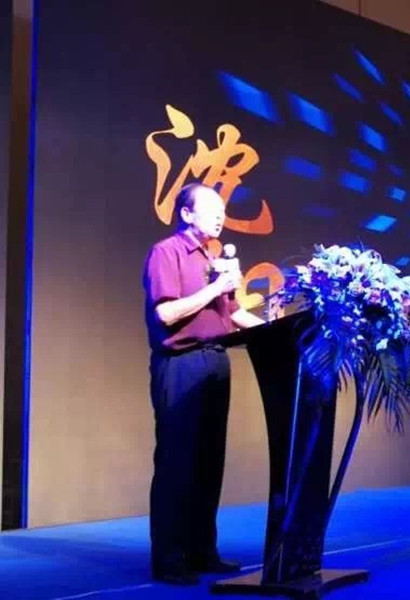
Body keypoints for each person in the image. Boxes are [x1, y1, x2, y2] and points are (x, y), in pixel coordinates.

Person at [142, 183, 265, 585]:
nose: (220, 215)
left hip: (216, 362)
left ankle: (202, 551)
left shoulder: (215, 258)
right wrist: (216, 287)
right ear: (186, 214)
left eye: (222, 208)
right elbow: (166, 313)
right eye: (211, 208)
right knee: (177, 461)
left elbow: (234, 315)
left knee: (210, 462)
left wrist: (279, 333)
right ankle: (170, 559)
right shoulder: (167, 252)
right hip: (181, 364)